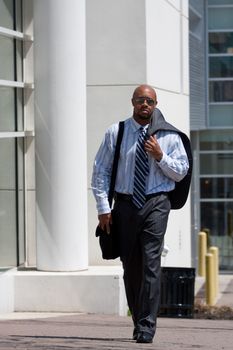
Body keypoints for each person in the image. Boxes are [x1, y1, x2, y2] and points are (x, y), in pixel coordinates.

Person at [91, 84, 190, 343]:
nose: (144, 104)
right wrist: (103, 208)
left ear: (155, 104)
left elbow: (181, 171)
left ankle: (147, 326)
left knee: (150, 263)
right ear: (132, 102)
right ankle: (138, 320)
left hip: (157, 203)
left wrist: (160, 156)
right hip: (124, 205)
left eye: (149, 100)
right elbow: (100, 171)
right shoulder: (117, 132)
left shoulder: (169, 136)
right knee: (131, 267)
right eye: (140, 100)